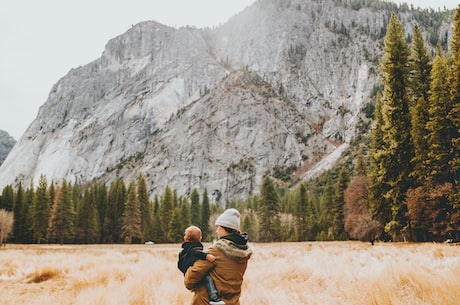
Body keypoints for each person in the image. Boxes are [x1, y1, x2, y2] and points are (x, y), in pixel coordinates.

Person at [184, 208, 253, 305]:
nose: (216, 231)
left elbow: (190, 279)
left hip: (206, 302)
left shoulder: (215, 251)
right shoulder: (243, 252)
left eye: (218, 227)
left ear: (225, 228)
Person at [178, 225, 225, 305]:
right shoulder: (195, 248)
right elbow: (197, 252)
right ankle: (213, 297)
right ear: (200, 239)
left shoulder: (182, 252)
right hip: (193, 271)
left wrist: (185, 271)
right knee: (208, 279)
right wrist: (207, 256)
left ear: (185, 239)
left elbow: (179, 265)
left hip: (187, 273)